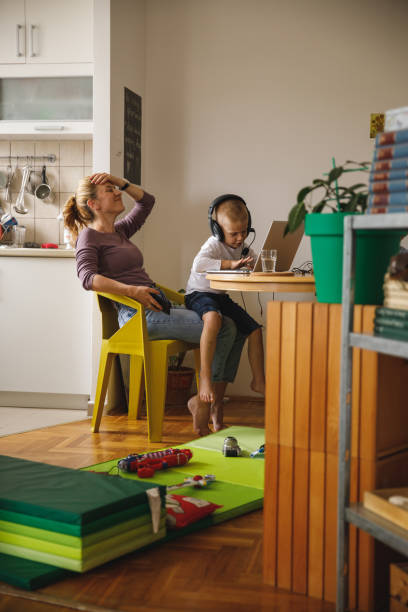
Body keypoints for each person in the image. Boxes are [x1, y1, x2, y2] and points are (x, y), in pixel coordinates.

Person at [63, 172, 246, 436]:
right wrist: (133, 291)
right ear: (94, 205)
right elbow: (88, 278)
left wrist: (121, 182)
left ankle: (206, 404)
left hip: (157, 307)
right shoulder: (88, 238)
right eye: (110, 191)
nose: (118, 193)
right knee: (224, 326)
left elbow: (147, 202)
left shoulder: (120, 231)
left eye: (117, 189)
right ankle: (208, 405)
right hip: (136, 316)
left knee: (232, 324)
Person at [185, 194, 266, 408]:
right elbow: (199, 264)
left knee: (255, 329)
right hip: (199, 294)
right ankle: (204, 378)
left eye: (244, 231)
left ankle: (259, 381)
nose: (240, 238)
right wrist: (232, 264)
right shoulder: (213, 243)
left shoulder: (243, 245)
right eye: (233, 234)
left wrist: (255, 265)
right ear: (217, 230)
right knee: (213, 319)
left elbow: (257, 263)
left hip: (220, 296)